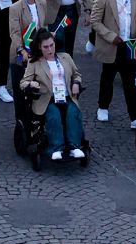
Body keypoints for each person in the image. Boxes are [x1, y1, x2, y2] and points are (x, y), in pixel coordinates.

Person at [92, 0, 136, 128]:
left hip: (129, 45)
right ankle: (103, 106)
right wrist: (110, 36)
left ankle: (135, 116)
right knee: (107, 77)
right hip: (112, 44)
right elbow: (95, 21)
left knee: (129, 81)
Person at [19, 29, 87, 160]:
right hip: (47, 98)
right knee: (54, 115)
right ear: (40, 47)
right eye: (46, 47)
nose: (50, 49)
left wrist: (76, 84)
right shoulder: (34, 62)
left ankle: (74, 146)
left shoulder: (65, 57)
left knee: (73, 112)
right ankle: (56, 147)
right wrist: (31, 84)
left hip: (66, 96)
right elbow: (23, 82)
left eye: (52, 45)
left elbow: (76, 75)